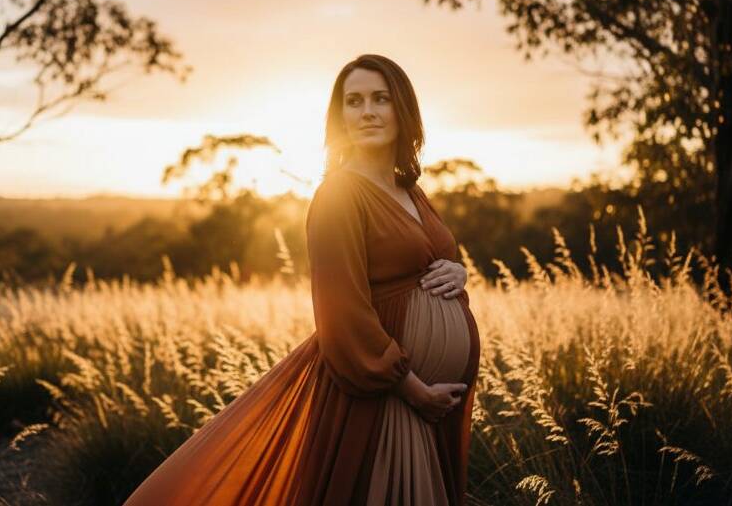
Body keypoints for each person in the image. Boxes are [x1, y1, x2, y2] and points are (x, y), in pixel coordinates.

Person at [122, 53, 480, 506]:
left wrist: (459, 269)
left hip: (430, 405)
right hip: (389, 399)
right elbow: (341, 310)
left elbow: (426, 261)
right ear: (340, 117)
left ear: (403, 109)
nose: (367, 111)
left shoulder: (409, 190)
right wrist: (414, 389)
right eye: (353, 101)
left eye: (380, 99)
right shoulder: (338, 195)